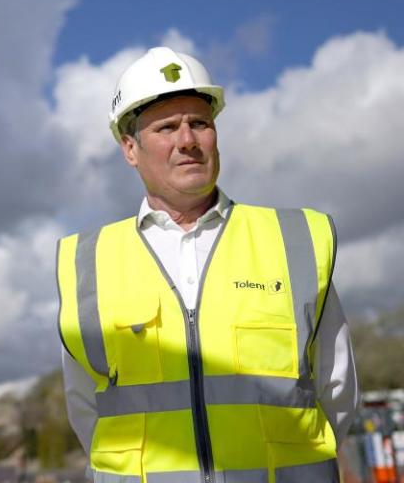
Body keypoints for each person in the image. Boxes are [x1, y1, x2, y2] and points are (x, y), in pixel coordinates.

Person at [56, 47, 359, 482]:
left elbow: (337, 390)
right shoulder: (88, 262)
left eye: (199, 123)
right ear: (130, 148)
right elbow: (87, 407)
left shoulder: (294, 242)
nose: (187, 141)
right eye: (166, 127)